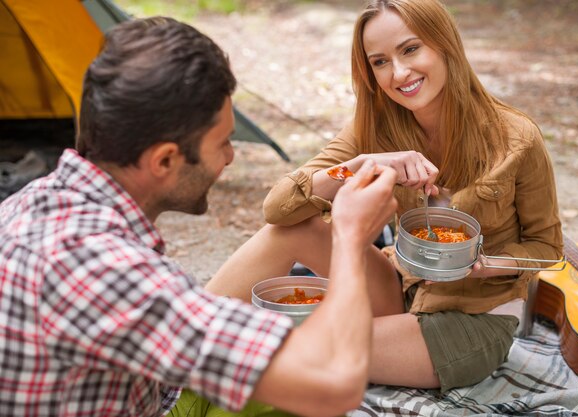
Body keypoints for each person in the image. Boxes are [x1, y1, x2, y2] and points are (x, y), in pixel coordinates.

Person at [0, 16, 400, 417]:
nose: (229, 157)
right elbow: (333, 386)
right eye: (222, 142)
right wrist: (350, 236)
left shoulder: (33, 203)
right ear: (165, 159)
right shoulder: (107, 270)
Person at [206, 0, 564, 393]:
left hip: (473, 317)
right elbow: (278, 207)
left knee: (296, 343)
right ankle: (182, 329)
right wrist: (358, 165)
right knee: (290, 231)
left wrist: (484, 265)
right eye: (379, 62)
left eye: (411, 49)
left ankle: (199, 359)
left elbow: (546, 246)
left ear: (444, 44)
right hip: (401, 286)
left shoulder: (516, 138)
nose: (399, 73)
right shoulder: (373, 127)